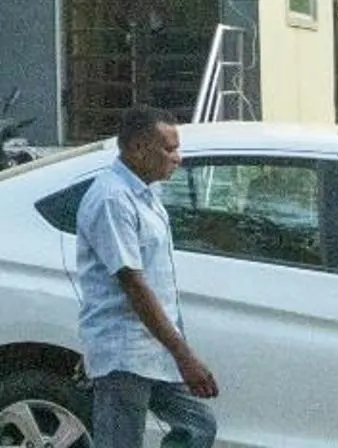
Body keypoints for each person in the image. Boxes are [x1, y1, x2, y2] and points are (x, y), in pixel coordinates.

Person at [72, 104, 218, 448]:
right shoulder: (112, 199)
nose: (178, 158)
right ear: (138, 148)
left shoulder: (145, 192)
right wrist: (185, 356)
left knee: (198, 426)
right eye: (169, 149)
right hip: (124, 352)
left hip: (153, 349)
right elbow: (133, 285)